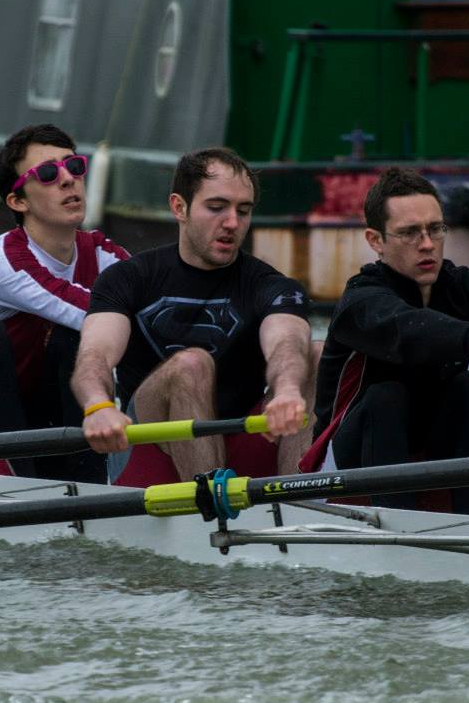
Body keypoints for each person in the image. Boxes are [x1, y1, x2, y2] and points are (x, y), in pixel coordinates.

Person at [72, 146, 312, 484]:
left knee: (315, 354)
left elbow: (286, 342)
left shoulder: (270, 285)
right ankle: (210, 500)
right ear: (179, 207)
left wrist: (286, 390)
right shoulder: (127, 278)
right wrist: (98, 406)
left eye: (243, 211)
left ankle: (295, 497)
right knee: (191, 364)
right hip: (152, 447)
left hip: (242, 442)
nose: (232, 223)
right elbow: (94, 356)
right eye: (216, 207)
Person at [0, 124, 129, 479]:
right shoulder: (3, 258)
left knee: (78, 339)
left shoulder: (100, 251)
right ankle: (17, 483)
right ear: (18, 201)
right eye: (48, 173)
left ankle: (90, 486)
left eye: (74, 166)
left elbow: (151, 303)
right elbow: (88, 308)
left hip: (43, 424)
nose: (68, 180)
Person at [303, 167, 469, 512]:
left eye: (435, 229)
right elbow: (408, 329)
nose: (427, 244)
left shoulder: (459, 285)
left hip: (429, 446)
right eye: (409, 233)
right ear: (375, 241)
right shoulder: (360, 300)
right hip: (348, 463)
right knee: (387, 396)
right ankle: (397, 522)